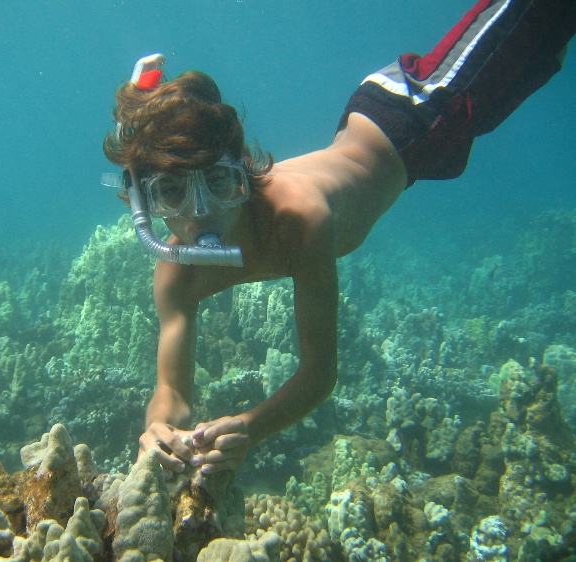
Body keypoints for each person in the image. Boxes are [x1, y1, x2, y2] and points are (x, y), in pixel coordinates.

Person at [103, 0, 575, 476]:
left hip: (418, 113)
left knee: (538, 17)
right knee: (546, 55)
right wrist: (158, 428)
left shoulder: (299, 218)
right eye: (172, 193)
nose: (202, 213)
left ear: (243, 169)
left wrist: (251, 425)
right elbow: (173, 392)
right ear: (143, 205)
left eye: (219, 183)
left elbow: (319, 373)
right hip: (400, 147)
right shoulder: (176, 275)